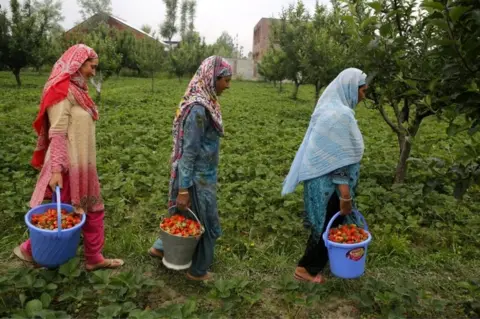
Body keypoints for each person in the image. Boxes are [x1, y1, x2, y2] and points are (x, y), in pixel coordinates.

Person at [13, 44, 124, 271]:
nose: (94, 72)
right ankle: (33, 249)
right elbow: (58, 134)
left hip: (83, 165)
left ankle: (93, 257)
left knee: (90, 208)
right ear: (77, 64)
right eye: (91, 67)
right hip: (66, 167)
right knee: (63, 212)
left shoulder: (78, 91)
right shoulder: (61, 91)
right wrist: (56, 171)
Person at [149, 56, 232, 281]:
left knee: (183, 215)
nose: (228, 85)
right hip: (197, 177)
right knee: (208, 223)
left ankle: (160, 248)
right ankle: (198, 271)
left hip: (201, 174)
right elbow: (189, 152)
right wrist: (184, 189)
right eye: (225, 79)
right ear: (211, 78)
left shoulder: (207, 101)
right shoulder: (198, 108)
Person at [281, 68, 368, 283]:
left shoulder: (330, 109)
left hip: (320, 182)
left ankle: (318, 263)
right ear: (351, 88)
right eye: (363, 91)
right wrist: (345, 196)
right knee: (327, 226)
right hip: (330, 186)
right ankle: (305, 269)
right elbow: (338, 161)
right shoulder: (339, 115)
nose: (364, 96)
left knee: (326, 224)